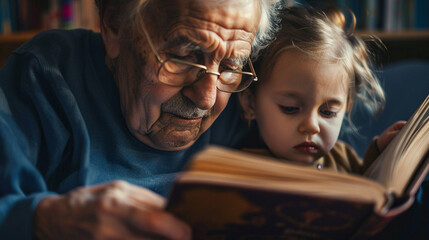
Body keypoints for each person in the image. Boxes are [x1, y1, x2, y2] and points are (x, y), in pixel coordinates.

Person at [0, 0, 282, 239]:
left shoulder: (251, 102)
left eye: (231, 66)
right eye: (183, 57)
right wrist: (48, 218)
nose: (207, 98)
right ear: (115, 25)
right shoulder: (46, 76)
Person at [238, 6, 405, 174]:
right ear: (250, 103)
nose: (312, 126)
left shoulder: (341, 158)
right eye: (290, 108)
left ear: (347, 105)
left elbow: (364, 182)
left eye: (328, 112)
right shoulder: (234, 167)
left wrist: (381, 152)